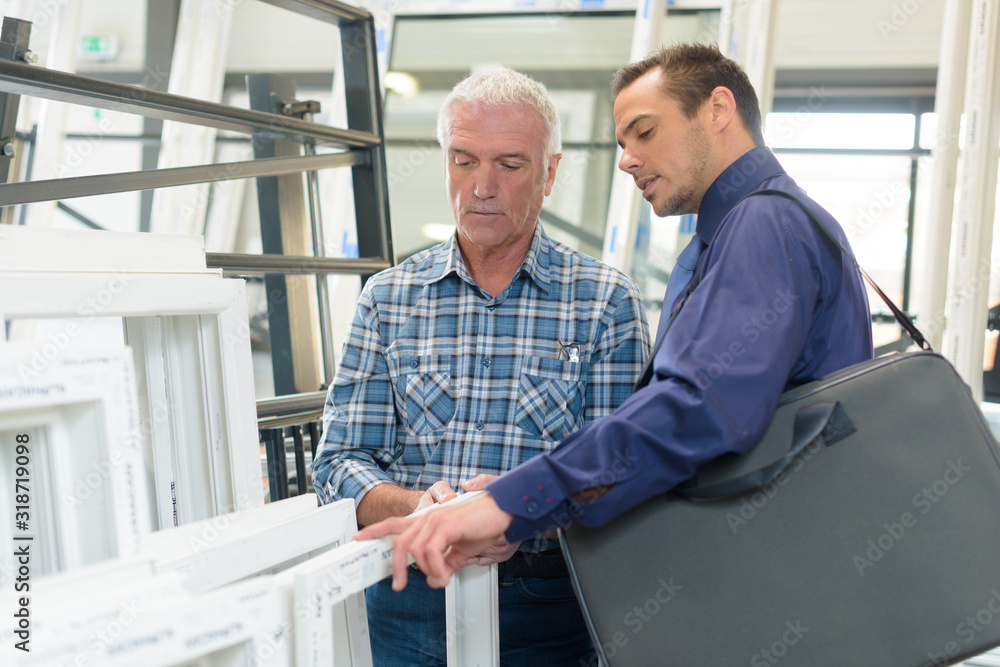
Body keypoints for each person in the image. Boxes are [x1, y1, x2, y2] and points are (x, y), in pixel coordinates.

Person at [356, 43, 875, 596]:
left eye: (645, 132)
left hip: (769, 580)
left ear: (718, 110)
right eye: (622, 142)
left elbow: (697, 409)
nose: (626, 158)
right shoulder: (743, 230)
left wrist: (508, 503)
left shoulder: (763, 223)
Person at [311, 66, 650, 666]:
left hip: (546, 605)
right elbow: (339, 463)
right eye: (464, 161)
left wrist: (518, 513)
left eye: (509, 165)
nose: (482, 186)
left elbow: (619, 476)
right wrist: (422, 509)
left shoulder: (605, 302)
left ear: (549, 174)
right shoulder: (388, 299)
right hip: (408, 597)